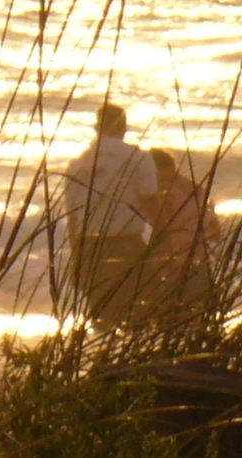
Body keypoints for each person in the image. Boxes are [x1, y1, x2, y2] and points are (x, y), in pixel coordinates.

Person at [63, 101, 162, 328]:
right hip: (126, 246)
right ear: (124, 127)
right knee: (137, 316)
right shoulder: (138, 158)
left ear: (97, 128)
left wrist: (77, 259)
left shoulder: (77, 164)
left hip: (90, 248)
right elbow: (150, 202)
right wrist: (166, 236)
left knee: (101, 319)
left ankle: (103, 361)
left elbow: (73, 219)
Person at [137, 147, 221, 325]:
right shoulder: (198, 190)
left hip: (174, 268)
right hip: (201, 263)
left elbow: (162, 230)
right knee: (200, 322)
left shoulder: (164, 191)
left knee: (167, 323)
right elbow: (215, 231)